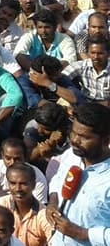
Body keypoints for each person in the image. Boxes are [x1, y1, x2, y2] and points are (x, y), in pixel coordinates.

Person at [45, 102, 110, 246]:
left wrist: (83, 233)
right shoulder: (71, 156)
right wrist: (53, 202)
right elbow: (57, 180)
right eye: (73, 132)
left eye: (84, 137)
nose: (74, 140)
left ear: (106, 140)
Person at [0, 162, 53, 246]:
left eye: (23, 184)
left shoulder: (44, 215)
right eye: (13, 183)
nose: (18, 189)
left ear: (33, 185)